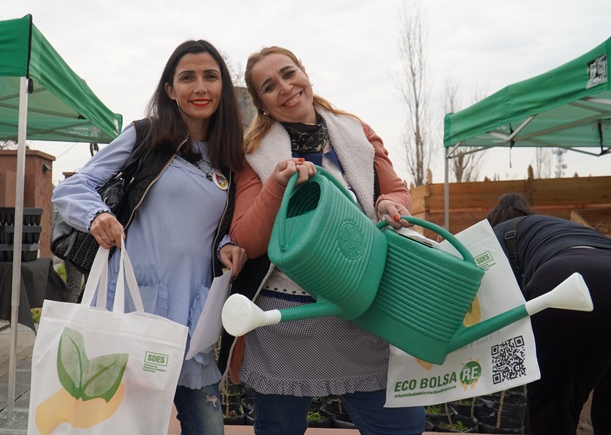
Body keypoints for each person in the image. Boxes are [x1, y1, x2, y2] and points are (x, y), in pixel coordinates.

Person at [223, 46, 426, 435]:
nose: (285, 87)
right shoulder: (251, 155)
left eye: (288, 73)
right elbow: (246, 238)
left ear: (304, 72)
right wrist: (277, 185)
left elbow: (397, 192)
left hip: (361, 307)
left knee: (401, 425)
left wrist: (388, 202)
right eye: (269, 86)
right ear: (261, 103)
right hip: (285, 320)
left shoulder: (357, 133)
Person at [52, 39, 247, 434]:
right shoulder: (145, 136)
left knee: (208, 427)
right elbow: (72, 188)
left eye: (210, 77)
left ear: (222, 87)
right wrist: (98, 216)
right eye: (187, 78)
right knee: (124, 426)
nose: (200, 88)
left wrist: (227, 245)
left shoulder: (230, 156)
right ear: (171, 90)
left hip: (193, 319)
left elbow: (220, 226)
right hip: (134, 306)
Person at [488, 194, 611, 435]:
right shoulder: (559, 226)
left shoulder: (498, 233)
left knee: (552, 406)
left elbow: (497, 299)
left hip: (566, 277)